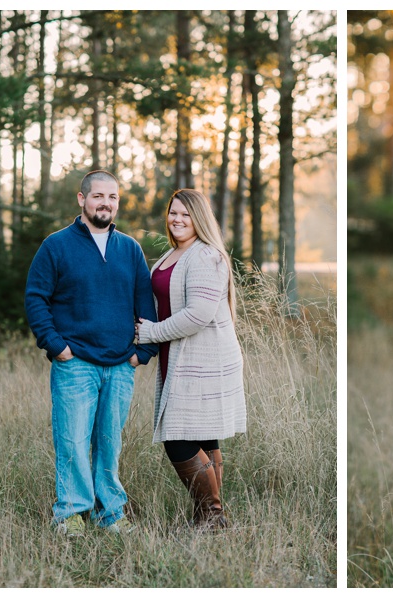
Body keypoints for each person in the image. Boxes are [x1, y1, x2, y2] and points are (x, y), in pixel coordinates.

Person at [25, 169, 158, 536]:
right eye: (98, 196)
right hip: (76, 362)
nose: (106, 203)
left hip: (120, 365)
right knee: (72, 441)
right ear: (82, 200)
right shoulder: (56, 245)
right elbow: (36, 298)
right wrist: (57, 346)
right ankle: (71, 513)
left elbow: (145, 303)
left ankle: (110, 513)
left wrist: (140, 354)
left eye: (112, 197)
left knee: (110, 443)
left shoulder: (129, 248)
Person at [135, 189, 246, 530]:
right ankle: (208, 515)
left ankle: (211, 514)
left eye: (185, 214)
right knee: (200, 433)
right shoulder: (172, 254)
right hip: (179, 353)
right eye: (173, 213)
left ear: (199, 218)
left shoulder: (204, 256)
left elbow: (198, 314)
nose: (177, 219)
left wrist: (151, 333)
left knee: (178, 436)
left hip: (204, 356)